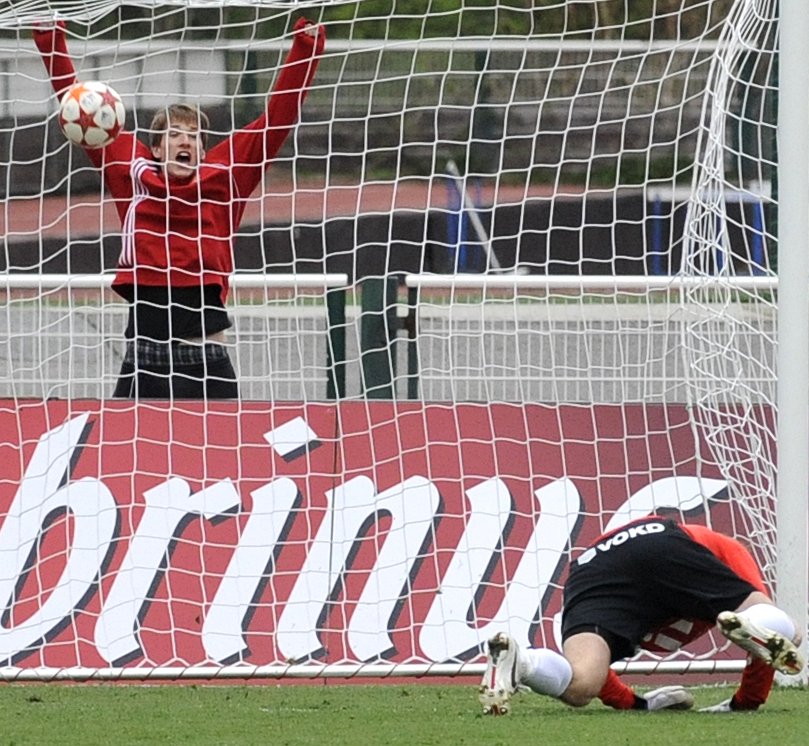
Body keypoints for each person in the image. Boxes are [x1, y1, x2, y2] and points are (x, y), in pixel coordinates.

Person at [34, 18, 325, 399]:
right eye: (174, 134)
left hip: (205, 359)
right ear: (156, 149)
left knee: (225, 454)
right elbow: (82, 108)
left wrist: (306, 49)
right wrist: (48, 39)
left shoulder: (227, 175)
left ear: (203, 151)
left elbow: (278, 120)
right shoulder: (132, 172)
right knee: (122, 454)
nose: (184, 141)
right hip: (144, 356)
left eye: (193, 136)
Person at [479, 516, 805, 715]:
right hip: (662, 545)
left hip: (592, 567)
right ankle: (754, 624)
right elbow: (770, 647)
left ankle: (522, 662)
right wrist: (745, 702)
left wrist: (635, 704)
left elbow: (602, 677)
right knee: (780, 626)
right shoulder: (726, 550)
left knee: (582, 683)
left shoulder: (720, 552)